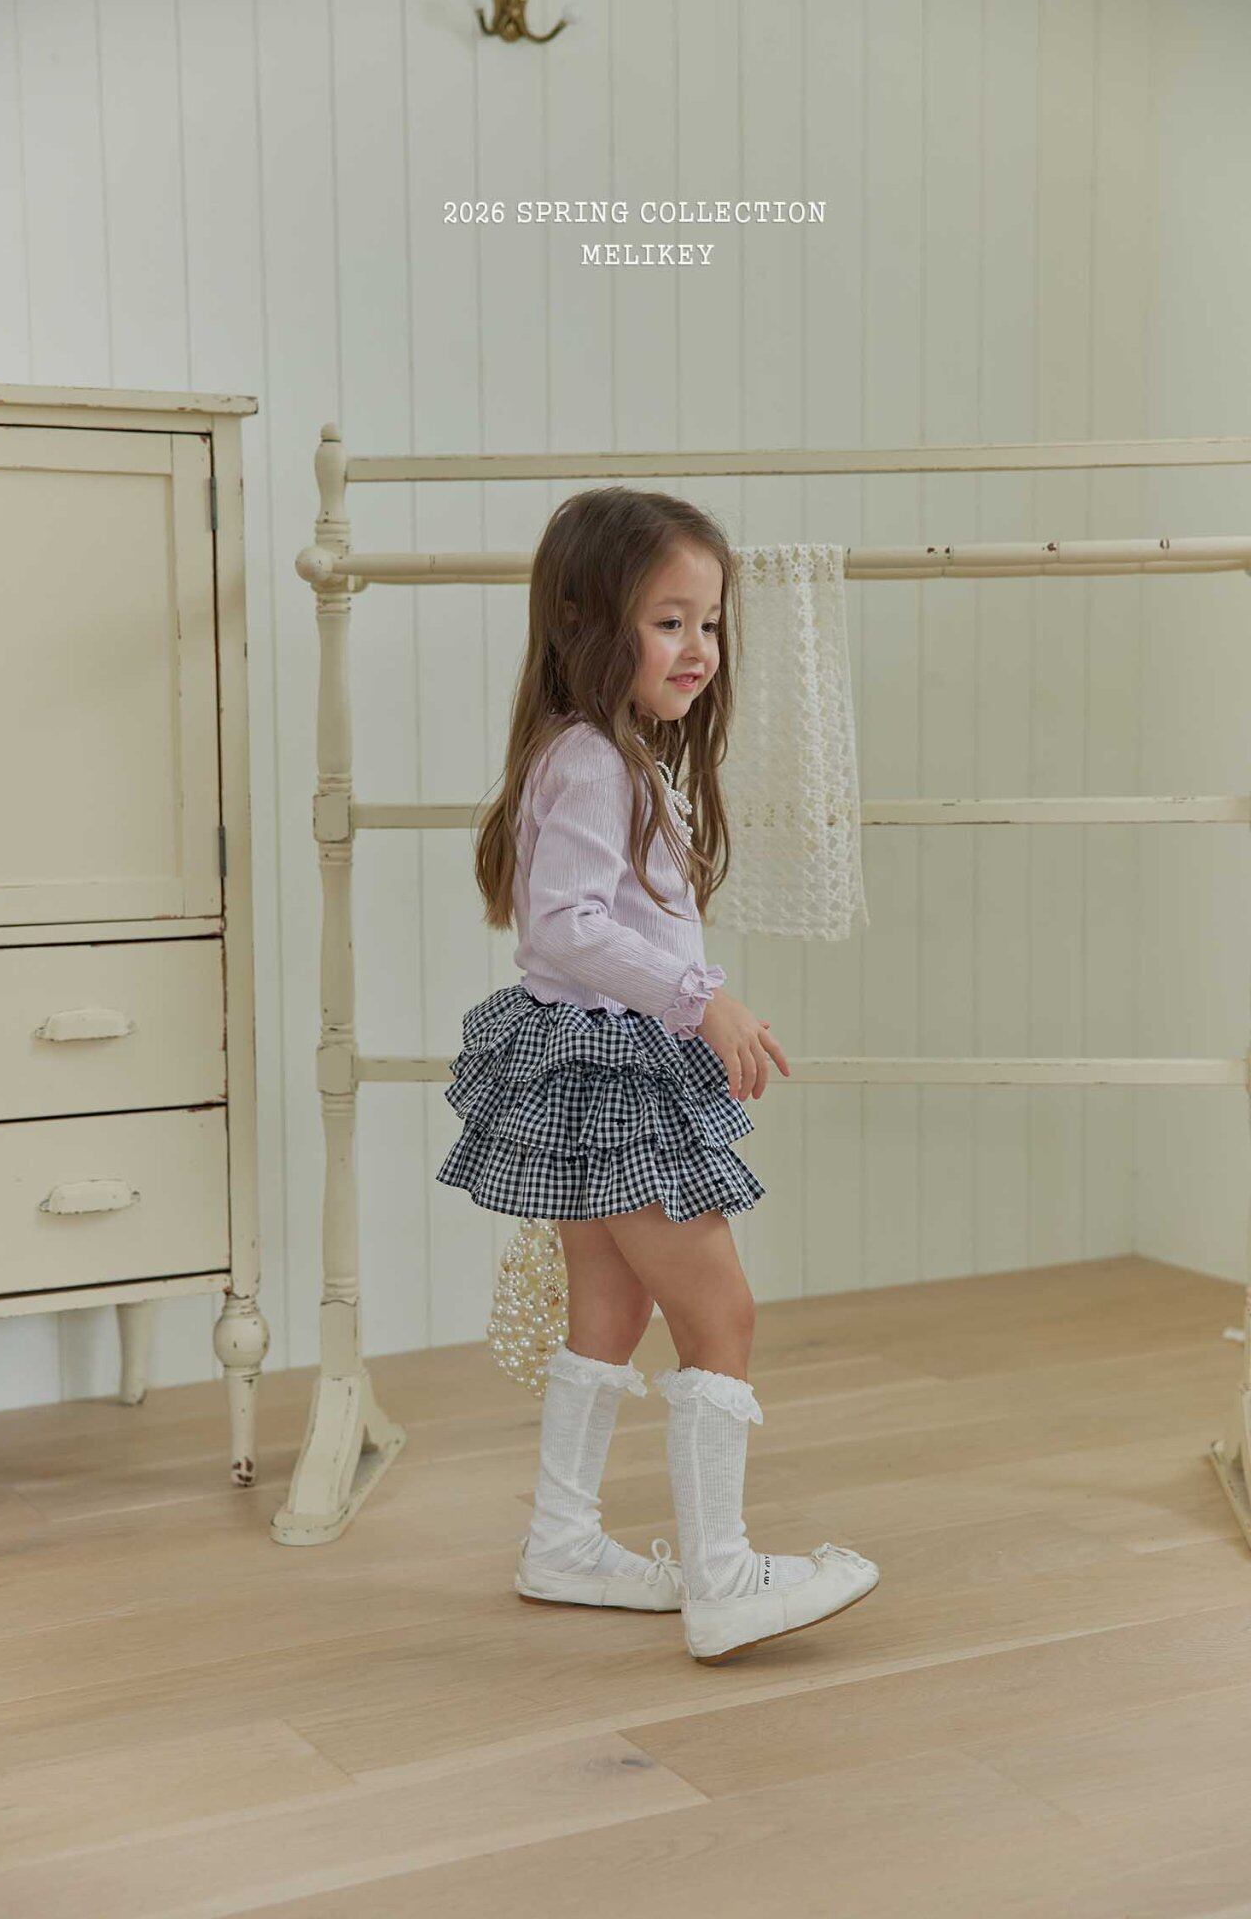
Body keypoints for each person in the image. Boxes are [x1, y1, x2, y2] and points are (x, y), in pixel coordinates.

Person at [435, 486, 879, 1663]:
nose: (698, 649)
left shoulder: (604, 752)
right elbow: (569, 926)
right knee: (717, 1310)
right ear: (587, 623)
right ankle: (721, 1576)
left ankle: (561, 1542)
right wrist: (702, 999)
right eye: (668, 622)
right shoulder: (592, 761)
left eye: (709, 623)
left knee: (610, 1308)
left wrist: (693, 995)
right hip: (613, 1070)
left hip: (589, 1062)